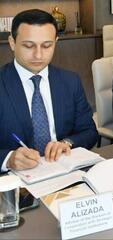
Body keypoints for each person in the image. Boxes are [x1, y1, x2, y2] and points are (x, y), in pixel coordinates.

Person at [0, 9, 98, 172]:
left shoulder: (70, 81)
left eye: (47, 45)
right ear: (12, 42)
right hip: (14, 179)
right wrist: (8, 159)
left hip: (63, 171)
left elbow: (89, 132)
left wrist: (67, 143)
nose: (38, 55)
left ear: (55, 42)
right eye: (28, 46)